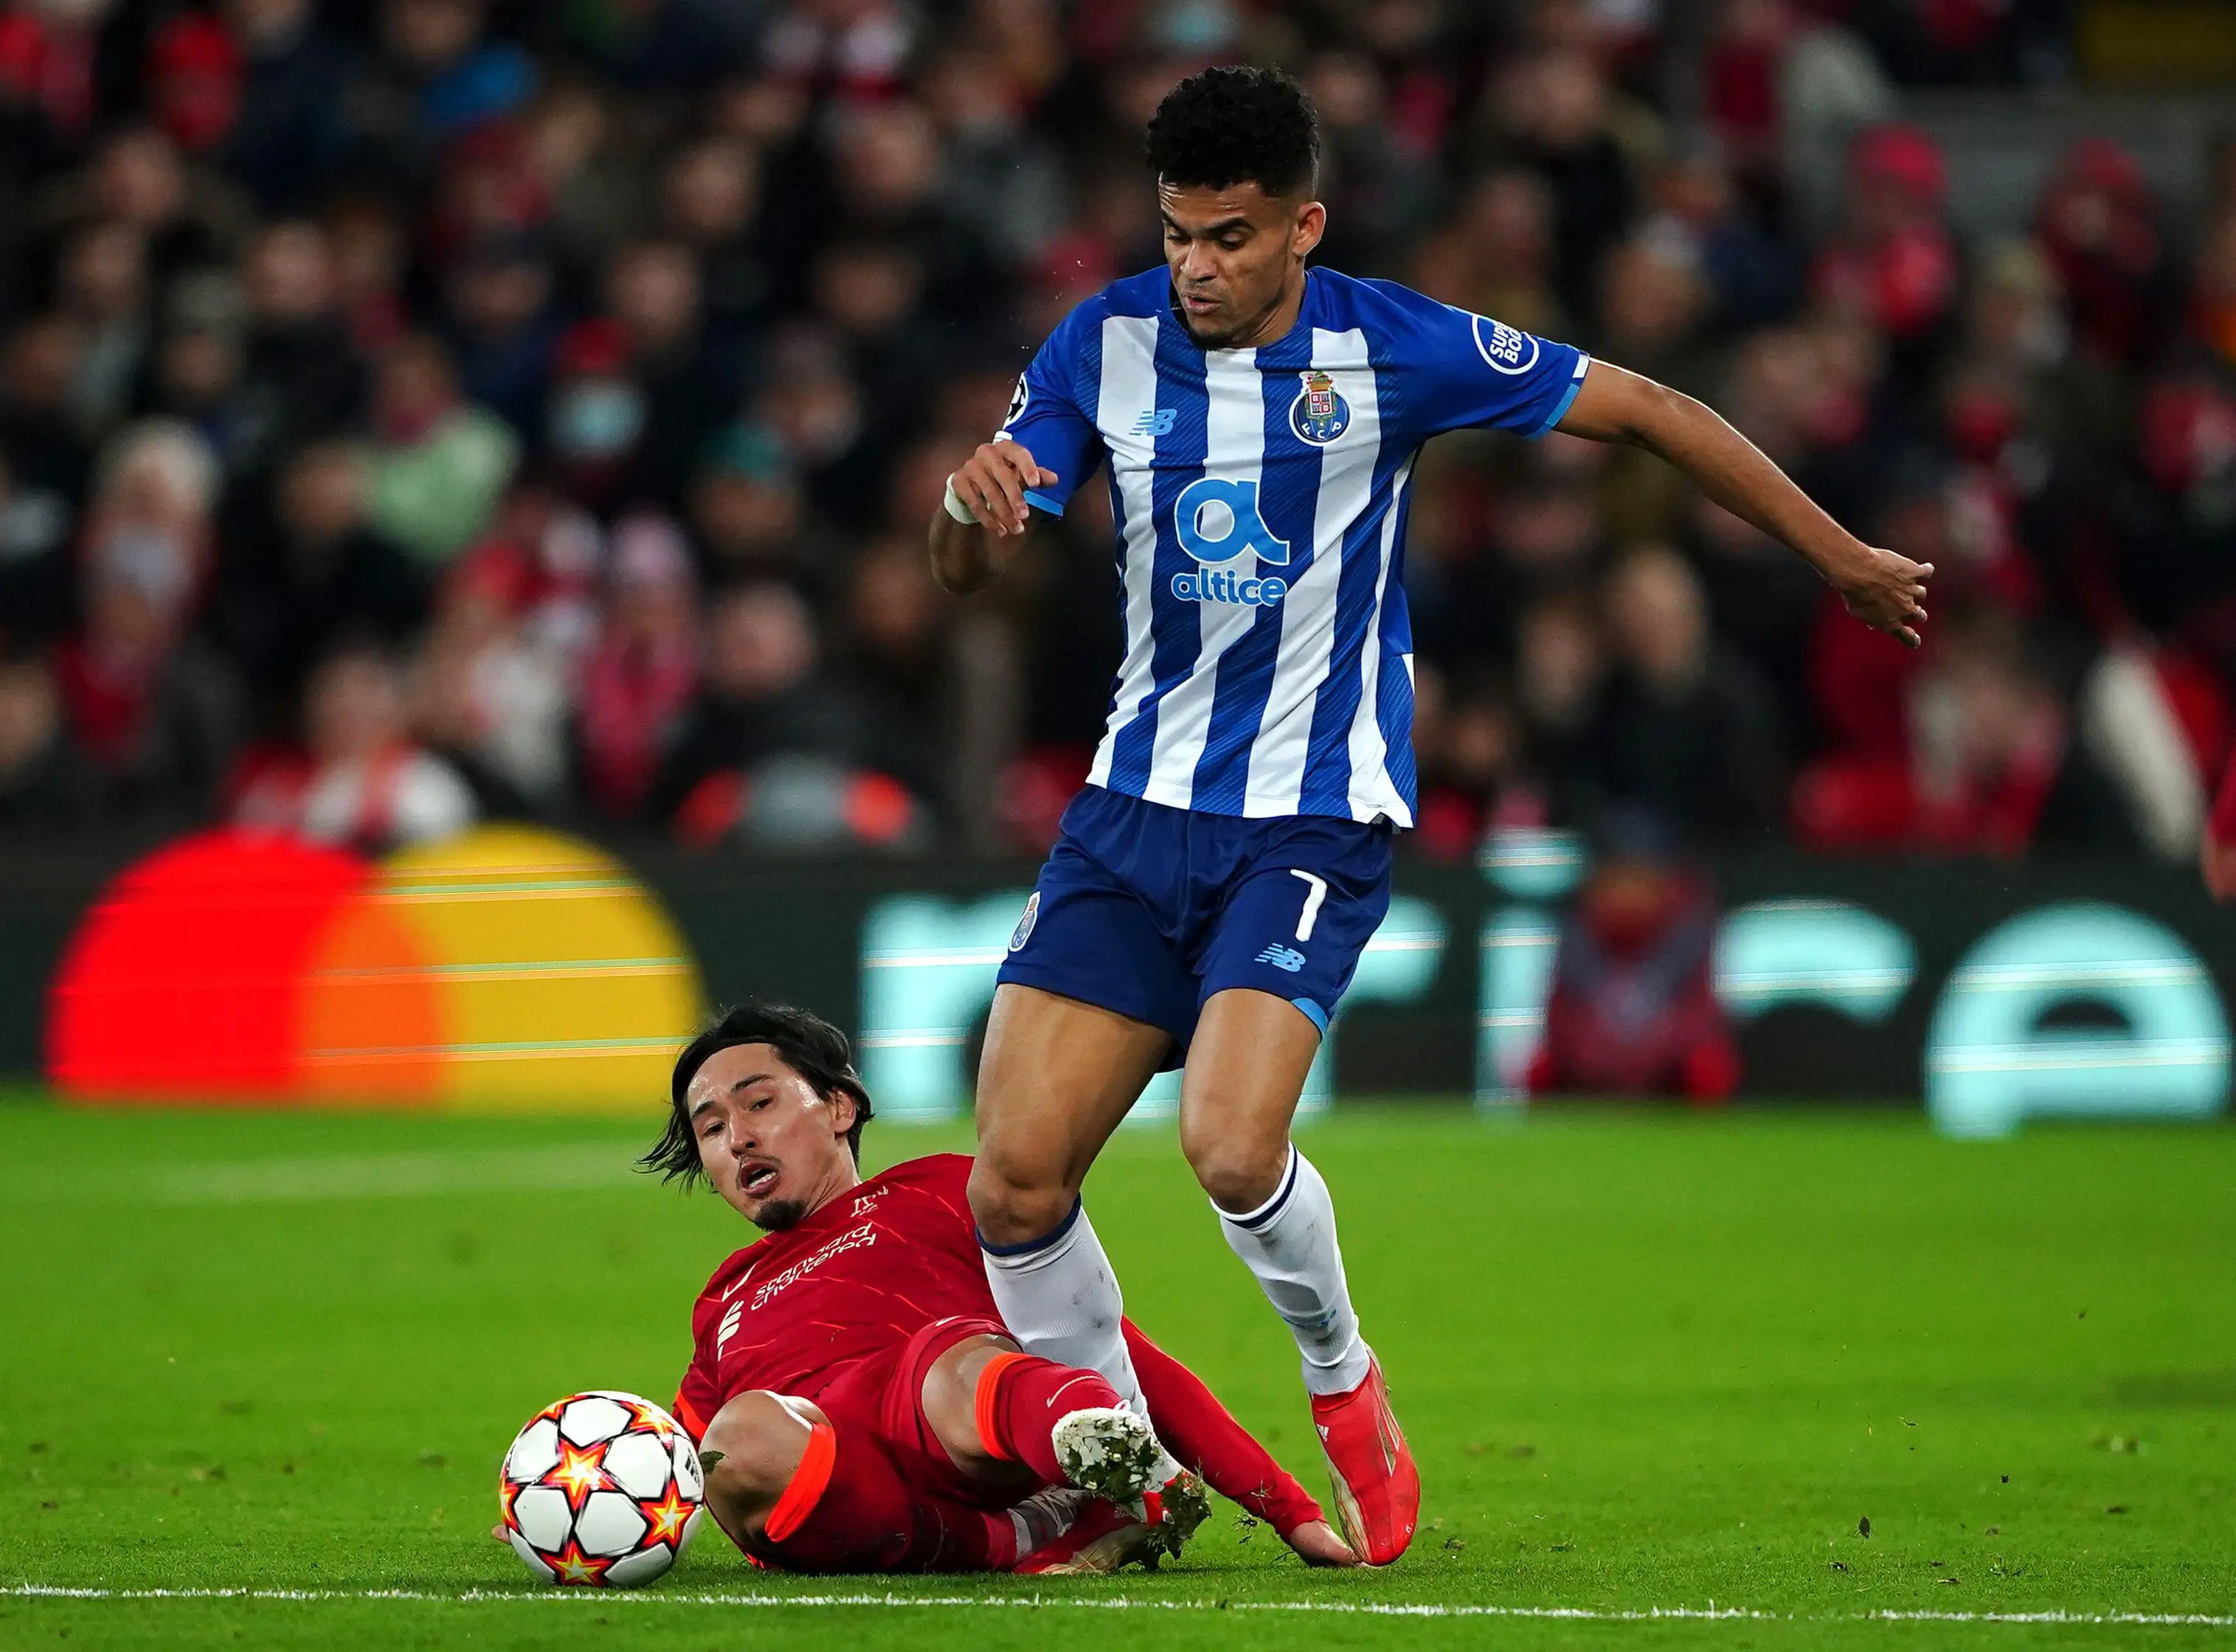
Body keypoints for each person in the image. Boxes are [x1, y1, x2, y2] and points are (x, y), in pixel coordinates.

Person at [929, 65, 1934, 1569]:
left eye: (1229, 237)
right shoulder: (1102, 343)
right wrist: (966, 511)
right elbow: (973, 568)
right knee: (1012, 1184)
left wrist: (1840, 554)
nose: (1196, 267)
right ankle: (1124, 1475)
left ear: (1304, 227)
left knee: (1228, 1148)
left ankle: (1344, 1382)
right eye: (1177, 234)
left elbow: (1652, 410)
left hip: (1310, 819)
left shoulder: (1391, 346)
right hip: (1129, 816)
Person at [641, 1002, 1354, 1575]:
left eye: (760, 1103)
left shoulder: (943, 1190)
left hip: (950, 1425)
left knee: (955, 1359)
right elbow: (676, 1470)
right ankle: (1028, 1534)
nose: (738, 1138)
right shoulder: (724, 1297)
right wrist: (593, 1496)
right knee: (740, 1438)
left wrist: (1287, 1508)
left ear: (838, 1108)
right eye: (712, 1128)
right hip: (836, 1480)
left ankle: (1127, 1471)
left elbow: (1120, 1351)